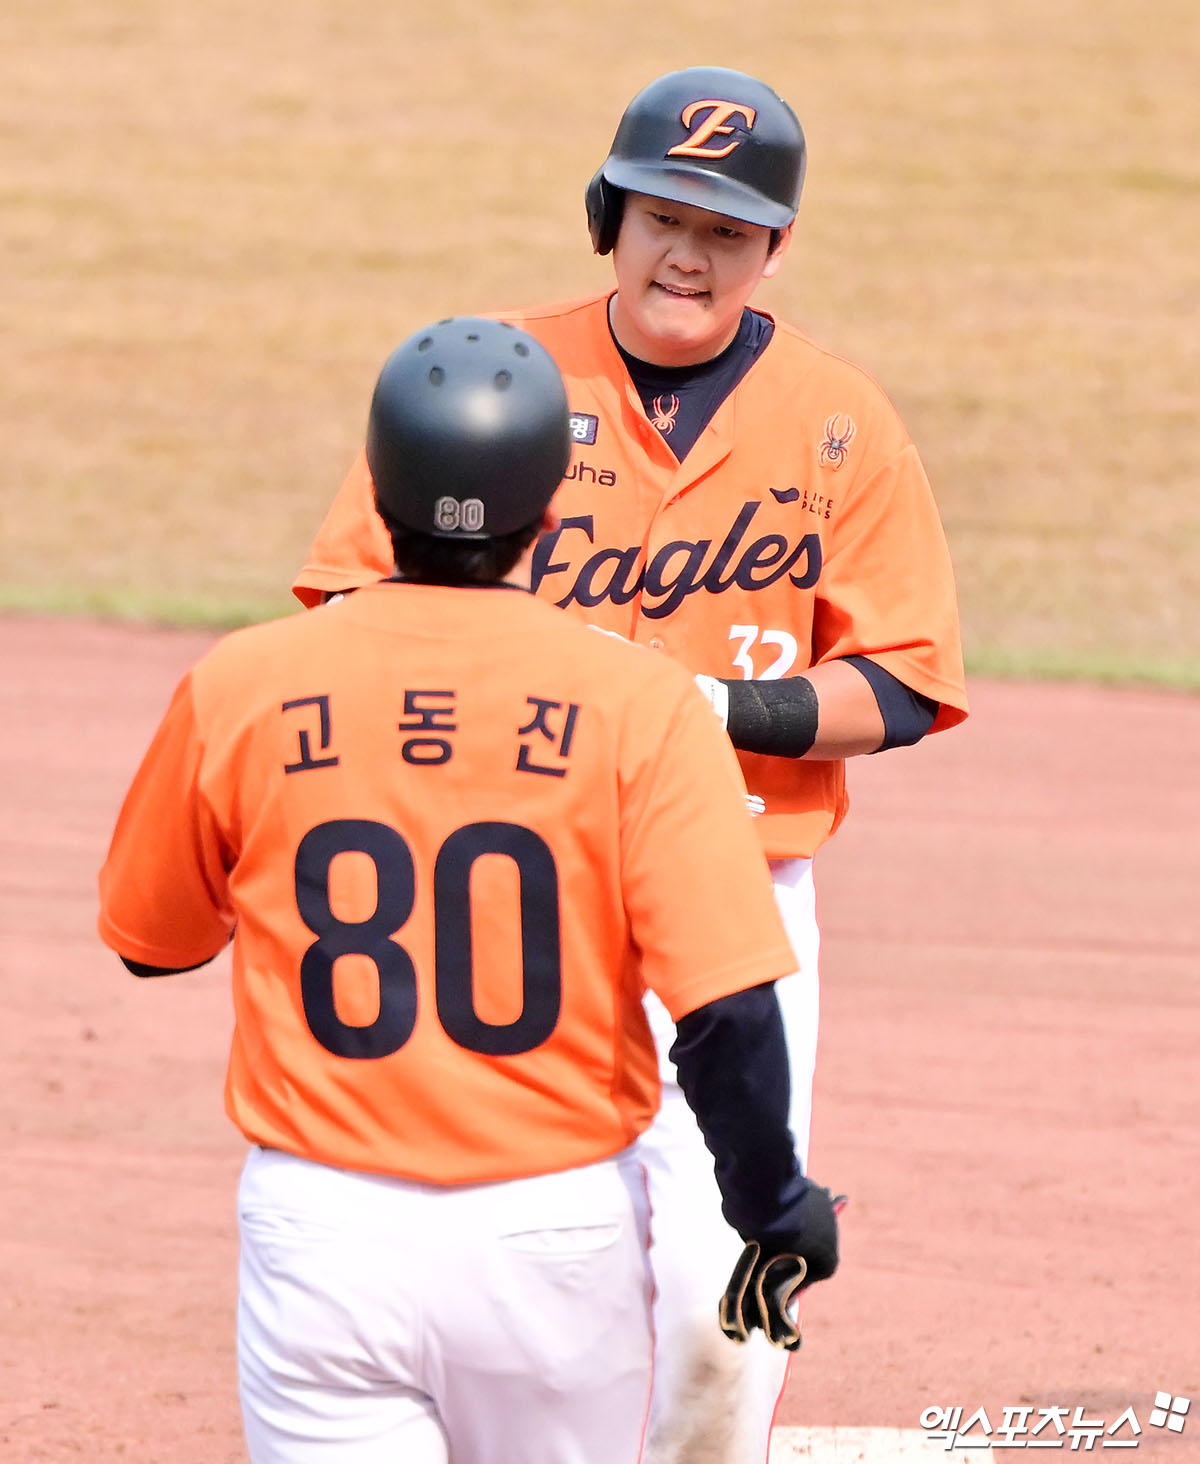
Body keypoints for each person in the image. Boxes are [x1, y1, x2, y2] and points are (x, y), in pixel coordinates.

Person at [291, 65, 968, 1464]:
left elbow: (904, 683)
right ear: (609, 214)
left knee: (729, 1301)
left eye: (728, 231)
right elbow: (353, 609)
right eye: (664, 217)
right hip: (511, 903)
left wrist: (705, 706)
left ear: (775, 246)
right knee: (520, 1277)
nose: (689, 256)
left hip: (736, 902)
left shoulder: (837, 421)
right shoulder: (491, 385)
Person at [97, 316, 841, 1464]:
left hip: (322, 1232)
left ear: (375, 488)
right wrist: (774, 1204)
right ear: (550, 512)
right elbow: (727, 1009)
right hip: (554, 1234)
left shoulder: (239, 683)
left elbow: (152, 943)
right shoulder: (641, 707)